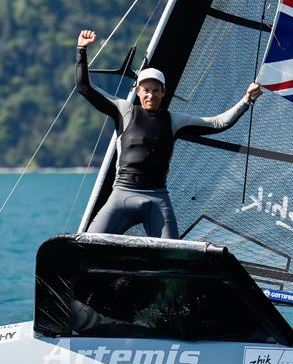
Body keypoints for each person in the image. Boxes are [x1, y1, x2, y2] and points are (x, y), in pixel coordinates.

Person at [76, 29, 261, 239]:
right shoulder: (124, 111)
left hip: (157, 199)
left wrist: (247, 100)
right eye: (146, 90)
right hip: (122, 195)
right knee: (89, 241)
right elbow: (85, 87)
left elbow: (218, 123)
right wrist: (81, 49)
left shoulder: (174, 121)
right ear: (138, 92)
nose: (150, 94)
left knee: (171, 251)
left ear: (163, 92)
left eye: (156, 90)